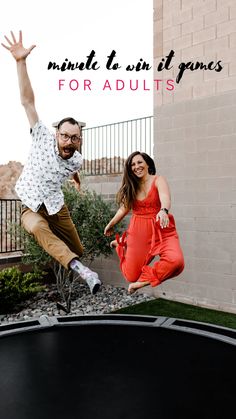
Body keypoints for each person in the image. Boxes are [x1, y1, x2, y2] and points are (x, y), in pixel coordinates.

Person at [1, 30, 101, 294]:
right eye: (65, 136)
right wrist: (20, 62)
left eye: (75, 138)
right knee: (37, 228)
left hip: (58, 207)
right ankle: (82, 271)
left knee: (77, 248)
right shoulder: (41, 136)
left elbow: (75, 171)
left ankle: (75, 259)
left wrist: (77, 183)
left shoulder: (76, 159)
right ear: (57, 134)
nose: (69, 142)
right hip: (30, 206)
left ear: (80, 140)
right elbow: (27, 101)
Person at [104, 151, 184, 294]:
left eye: (140, 162)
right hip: (139, 231)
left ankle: (140, 284)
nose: (137, 166)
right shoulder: (132, 187)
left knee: (176, 262)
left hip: (162, 228)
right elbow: (123, 209)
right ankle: (121, 245)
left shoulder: (158, 180)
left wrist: (163, 210)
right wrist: (110, 224)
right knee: (131, 275)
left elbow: (165, 197)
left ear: (147, 164)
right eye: (133, 164)